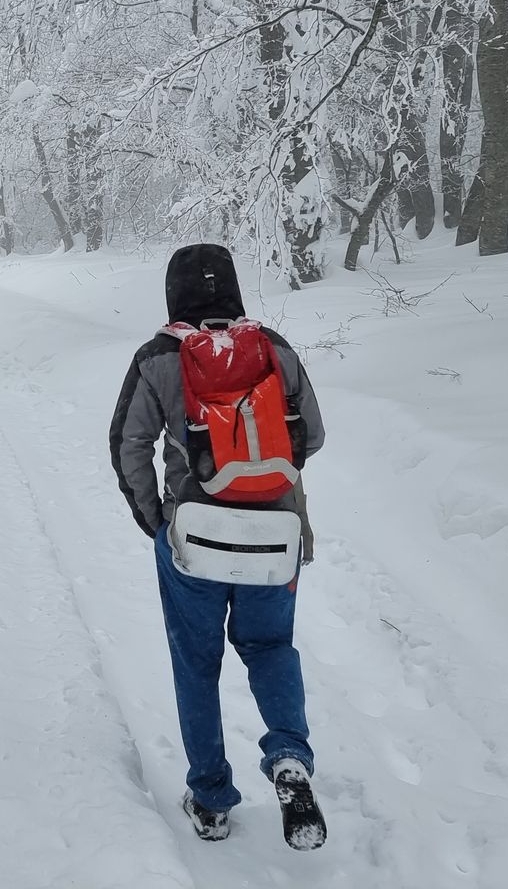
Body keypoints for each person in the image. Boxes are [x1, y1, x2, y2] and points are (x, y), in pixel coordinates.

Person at [108, 243, 328, 848]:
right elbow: (314, 432)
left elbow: (128, 446)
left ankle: (210, 800)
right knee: (270, 646)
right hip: (274, 536)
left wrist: (160, 520)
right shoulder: (272, 348)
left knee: (196, 664)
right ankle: (289, 759)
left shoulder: (158, 357)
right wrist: (265, 486)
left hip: (195, 541)